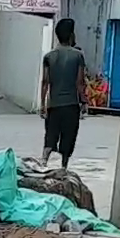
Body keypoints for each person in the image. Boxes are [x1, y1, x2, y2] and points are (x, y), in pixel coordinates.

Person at [39, 18, 87, 169]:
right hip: (71, 105)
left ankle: (43, 161)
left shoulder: (49, 56)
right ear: (71, 35)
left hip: (54, 104)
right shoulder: (78, 56)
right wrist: (84, 101)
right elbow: (79, 83)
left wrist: (43, 104)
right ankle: (63, 167)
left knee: (51, 134)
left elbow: (45, 82)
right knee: (68, 136)